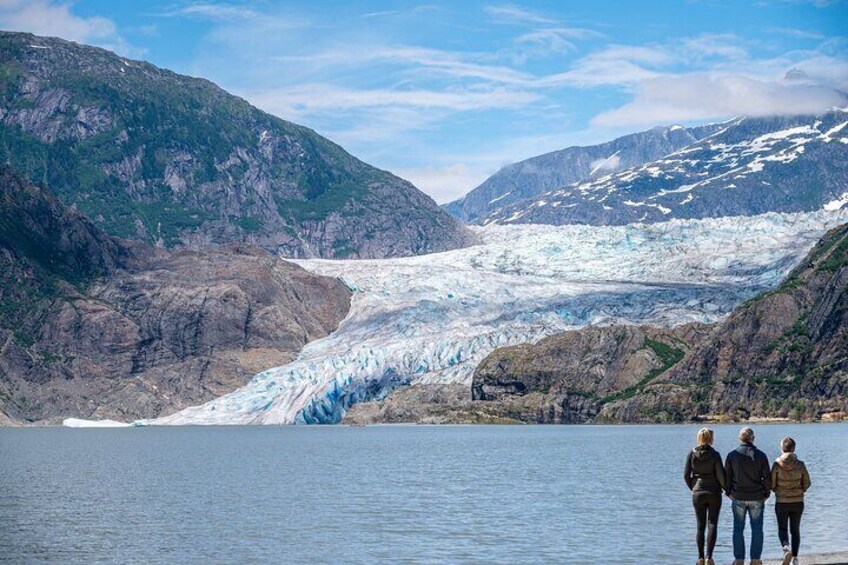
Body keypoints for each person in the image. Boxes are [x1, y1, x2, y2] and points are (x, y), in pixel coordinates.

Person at [725, 426, 771, 565]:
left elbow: (727, 477)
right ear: (753, 438)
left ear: (740, 439)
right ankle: (755, 559)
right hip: (757, 496)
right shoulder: (761, 455)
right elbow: (767, 478)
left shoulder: (732, 455)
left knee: (738, 528)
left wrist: (728, 492)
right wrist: (766, 493)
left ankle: (739, 559)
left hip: (737, 496)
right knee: (757, 529)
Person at [684, 428, 726, 565]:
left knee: (700, 526)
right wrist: (726, 489)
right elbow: (720, 475)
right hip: (714, 492)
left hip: (698, 493)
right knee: (712, 524)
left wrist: (694, 488)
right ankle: (709, 557)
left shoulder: (692, 453)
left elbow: (686, 475)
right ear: (711, 439)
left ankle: (700, 558)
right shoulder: (715, 455)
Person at [771, 437, 811, 565]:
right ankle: (795, 558)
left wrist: (778, 491)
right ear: (793, 448)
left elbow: (772, 484)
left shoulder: (776, 464)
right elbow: (807, 482)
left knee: (782, 529)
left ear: (782, 448)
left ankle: (785, 547)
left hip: (781, 501)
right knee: (795, 530)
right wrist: (800, 491)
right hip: (798, 501)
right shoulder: (800, 464)